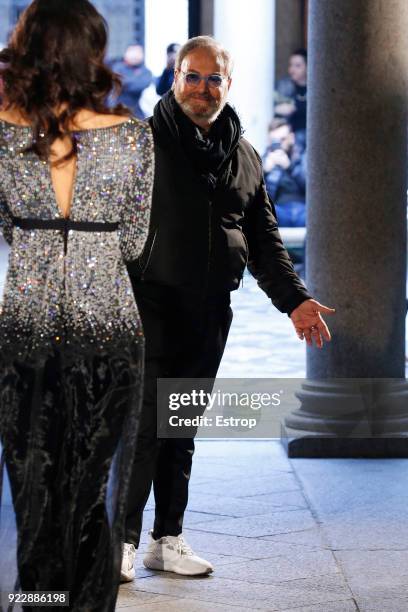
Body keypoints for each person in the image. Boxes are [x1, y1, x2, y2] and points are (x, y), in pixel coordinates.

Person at [122, 36, 335, 581]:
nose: (202, 88)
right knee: (145, 423)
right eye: (192, 77)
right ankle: (119, 540)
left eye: (213, 78)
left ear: (227, 85)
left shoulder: (243, 153)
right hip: (149, 301)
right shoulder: (142, 144)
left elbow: (263, 237)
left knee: (180, 425)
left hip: (211, 307)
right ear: (174, 79)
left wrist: (296, 301)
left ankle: (166, 539)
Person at [0, 1, 153, 610]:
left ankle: (40, 606)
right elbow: (135, 242)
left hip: (26, 331)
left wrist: (43, 241)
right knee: (94, 499)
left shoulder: (4, 134)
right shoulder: (134, 138)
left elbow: (9, 229)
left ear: (27, 46)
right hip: (110, 331)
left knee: (34, 498)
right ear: (93, 50)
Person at [263, 118, 306, 227]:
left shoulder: (302, 157)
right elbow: (251, 193)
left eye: (282, 139)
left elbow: (311, 187)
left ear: (291, 138)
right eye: (274, 141)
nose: (278, 144)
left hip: (303, 208)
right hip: (278, 210)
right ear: (269, 141)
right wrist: (264, 171)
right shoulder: (264, 161)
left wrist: (289, 167)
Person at [112, 44, 153, 119]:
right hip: (116, 111)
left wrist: (125, 82)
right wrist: (135, 79)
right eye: (132, 51)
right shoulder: (117, 67)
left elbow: (141, 85)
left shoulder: (146, 72)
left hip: (136, 113)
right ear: (126, 53)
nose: (135, 55)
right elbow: (117, 81)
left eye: (138, 52)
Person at [275, 48, 307, 136]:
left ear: (308, 67)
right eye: (291, 65)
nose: (292, 70)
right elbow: (275, 106)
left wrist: (295, 107)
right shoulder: (284, 86)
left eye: (297, 66)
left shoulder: (315, 89)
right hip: (288, 133)